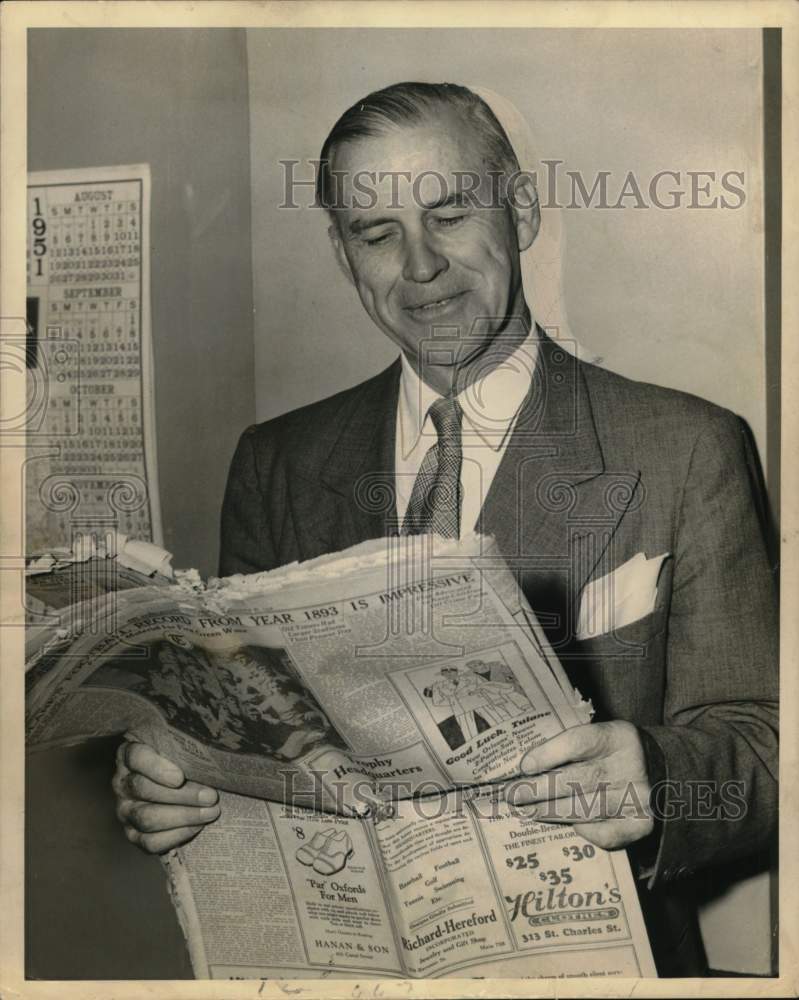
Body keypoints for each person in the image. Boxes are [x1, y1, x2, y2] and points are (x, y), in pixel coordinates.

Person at [111, 82, 778, 975]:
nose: (419, 267)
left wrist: (657, 777)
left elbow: (768, 747)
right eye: (375, 233)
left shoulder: (688, 447)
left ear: (522, 211)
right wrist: (180, 786)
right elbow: (257, 741)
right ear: (343, 254)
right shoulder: (276, 461)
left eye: (450, 213)